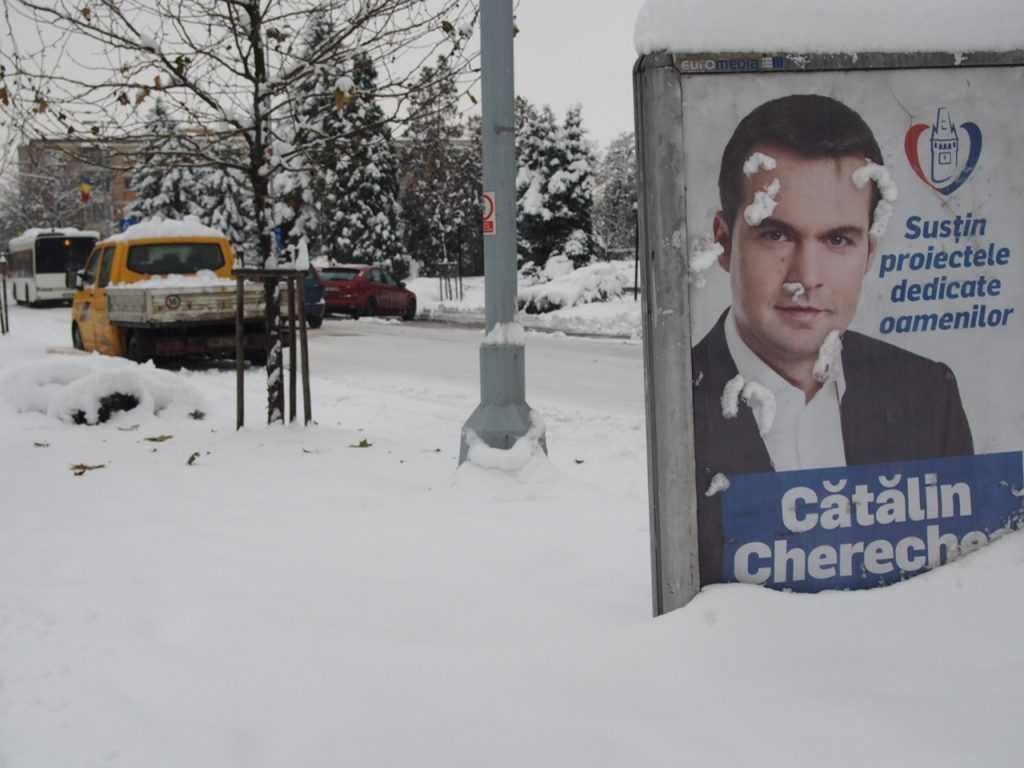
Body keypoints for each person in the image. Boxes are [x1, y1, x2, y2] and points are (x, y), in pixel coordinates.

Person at [693, 94, 973, 584]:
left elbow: (962, 584)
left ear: (869, 251)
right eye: (777, 235)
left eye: (838, 239)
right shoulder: (678, 402)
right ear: (723, 240)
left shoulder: (929, 393)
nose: (806, 277)